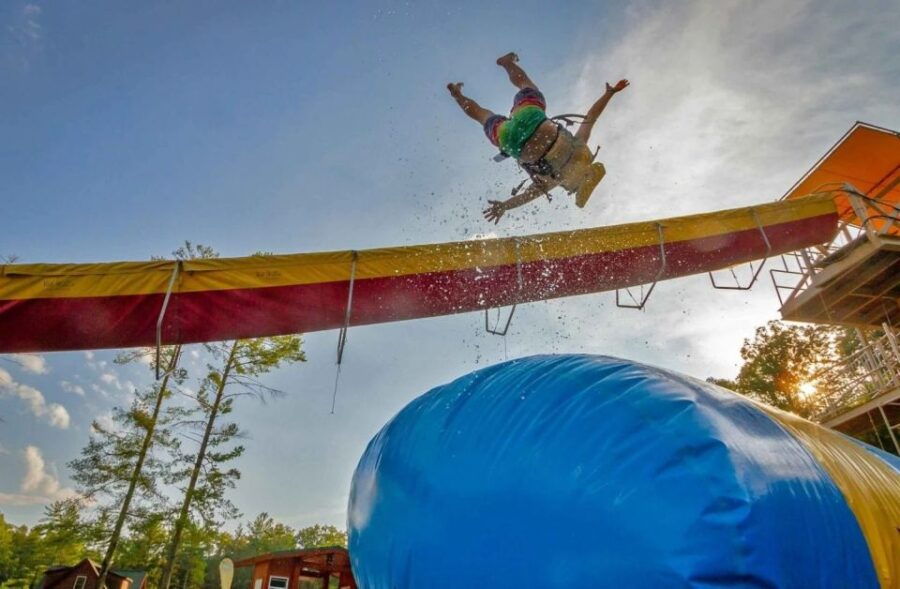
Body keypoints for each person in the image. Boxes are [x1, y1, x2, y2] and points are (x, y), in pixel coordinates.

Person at [448, 52, 629, 224]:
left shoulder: (579, 144)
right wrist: (504, 206)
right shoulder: (555, 179)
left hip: (533, 120)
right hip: (511, 142)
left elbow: (591, 116)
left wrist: (609, 94)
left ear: (588, 167)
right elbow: (526, 197)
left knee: (527, 86)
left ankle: (506, 62)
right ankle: (459, 97)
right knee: (483, 117)